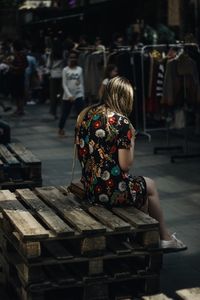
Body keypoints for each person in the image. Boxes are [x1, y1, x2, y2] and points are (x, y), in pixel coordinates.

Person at [75, 76, 187, 251]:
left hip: (89, 186)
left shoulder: (87, 115)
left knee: (140, 191)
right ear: (125, 97)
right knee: (150, 185)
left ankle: (144, 238)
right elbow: (126, 165)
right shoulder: (122, 122)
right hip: (110, 191)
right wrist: (132, 140)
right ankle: (164, 237)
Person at [58, 50, 85, 137]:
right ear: (68, 58)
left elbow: (81, 82)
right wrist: (69, 95)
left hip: (78, 94)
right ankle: (60, 129)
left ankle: (81, 131)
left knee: (81, 114)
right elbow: (64, 84)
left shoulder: (79, 69)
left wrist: (82, 94)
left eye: (74, 57)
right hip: (67, 96)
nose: (72, 59)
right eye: (71, 57)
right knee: (65, 114)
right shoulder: (65, 70)